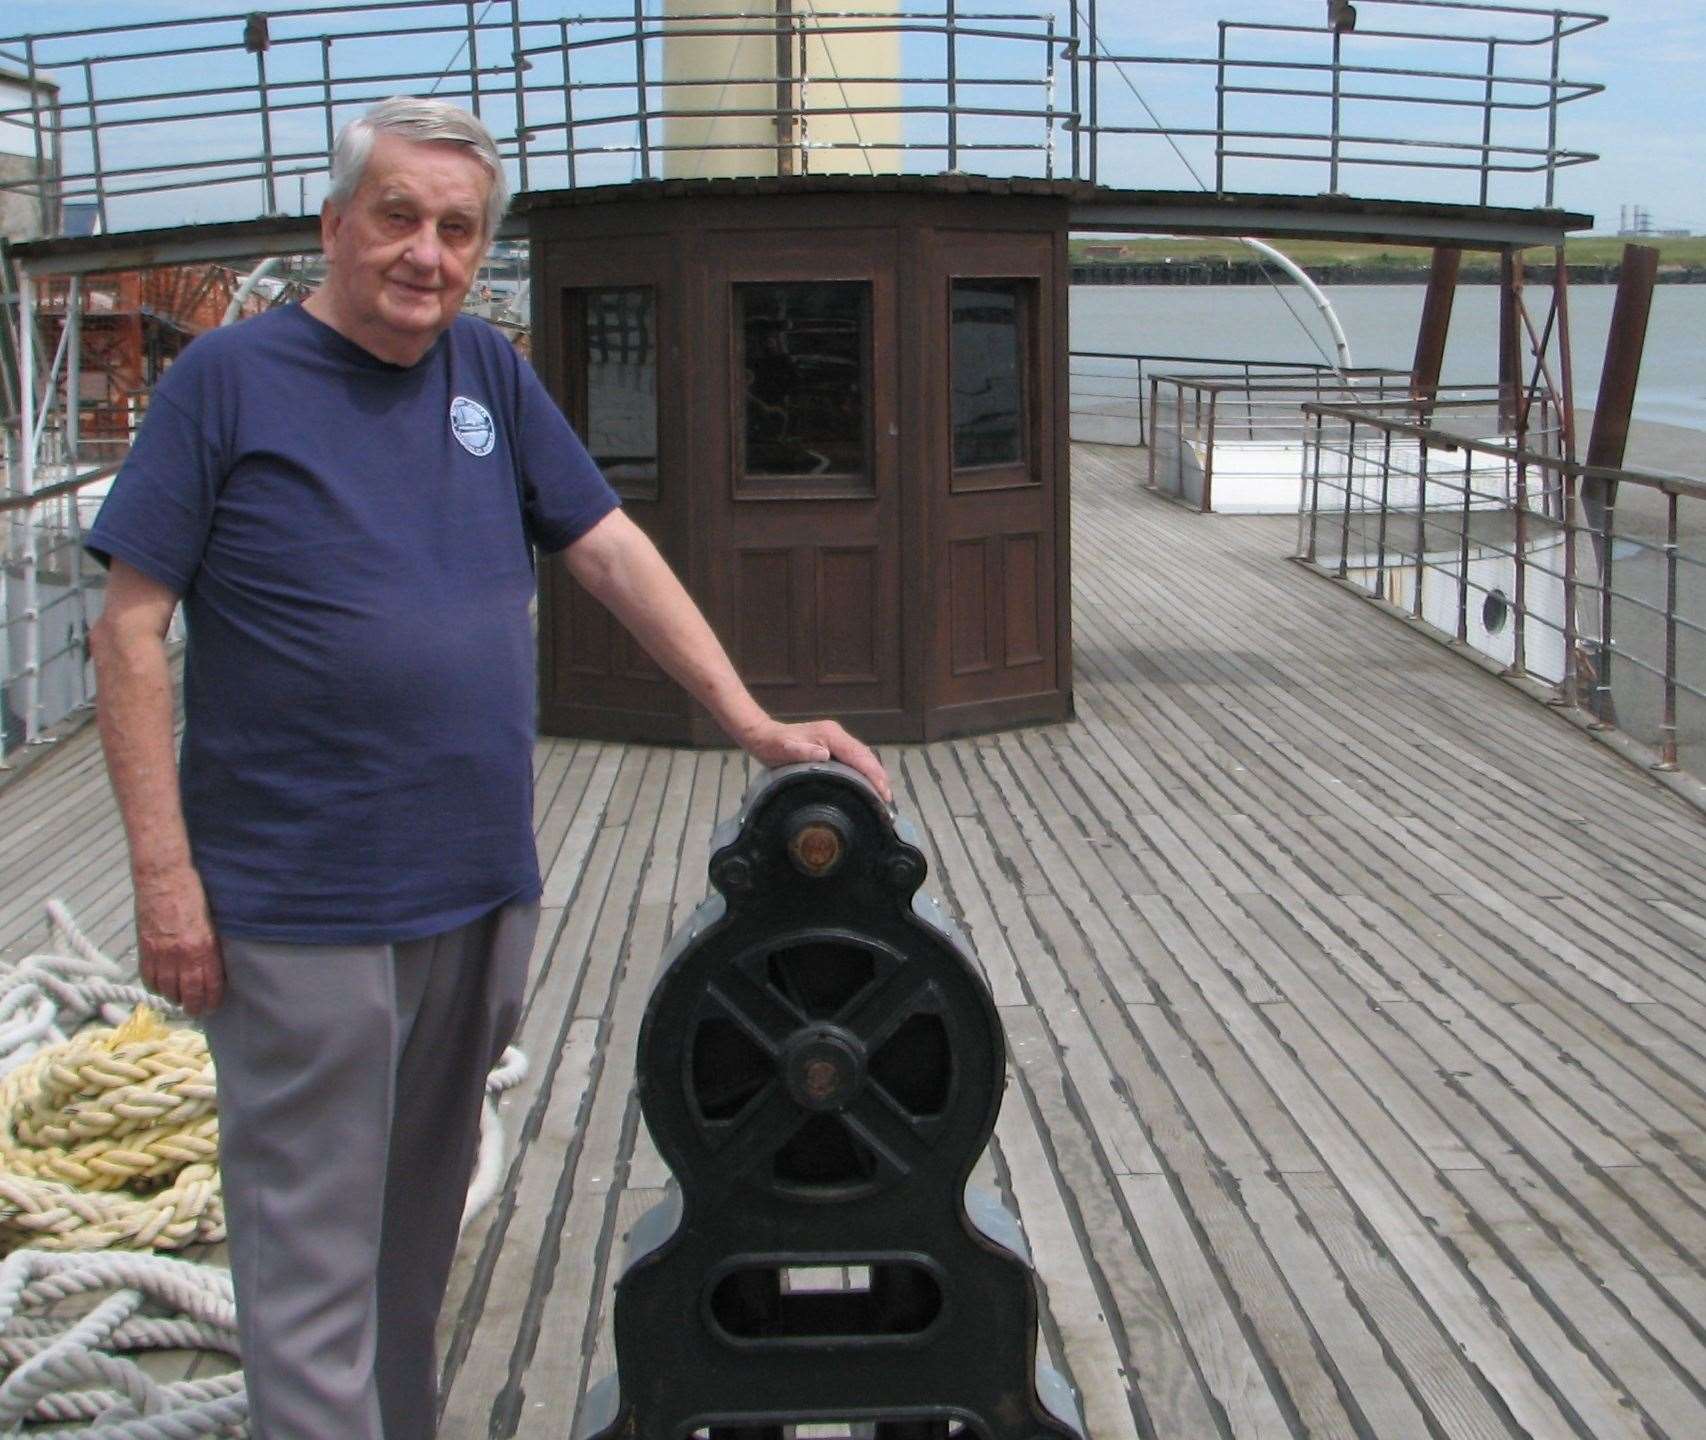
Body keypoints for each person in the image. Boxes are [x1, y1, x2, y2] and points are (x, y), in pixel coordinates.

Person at [86, 96, 890, 1440]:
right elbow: (129, 630)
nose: (426, 251)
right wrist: (164, 874)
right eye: (396, 217)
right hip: (297, 899)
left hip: (473, 885)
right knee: (309, 1259)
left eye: (457, 230)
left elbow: (607, 549)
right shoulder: (224, 383)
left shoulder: (486, 375)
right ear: (335, 224)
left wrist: (751, 719)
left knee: (411, 1245)